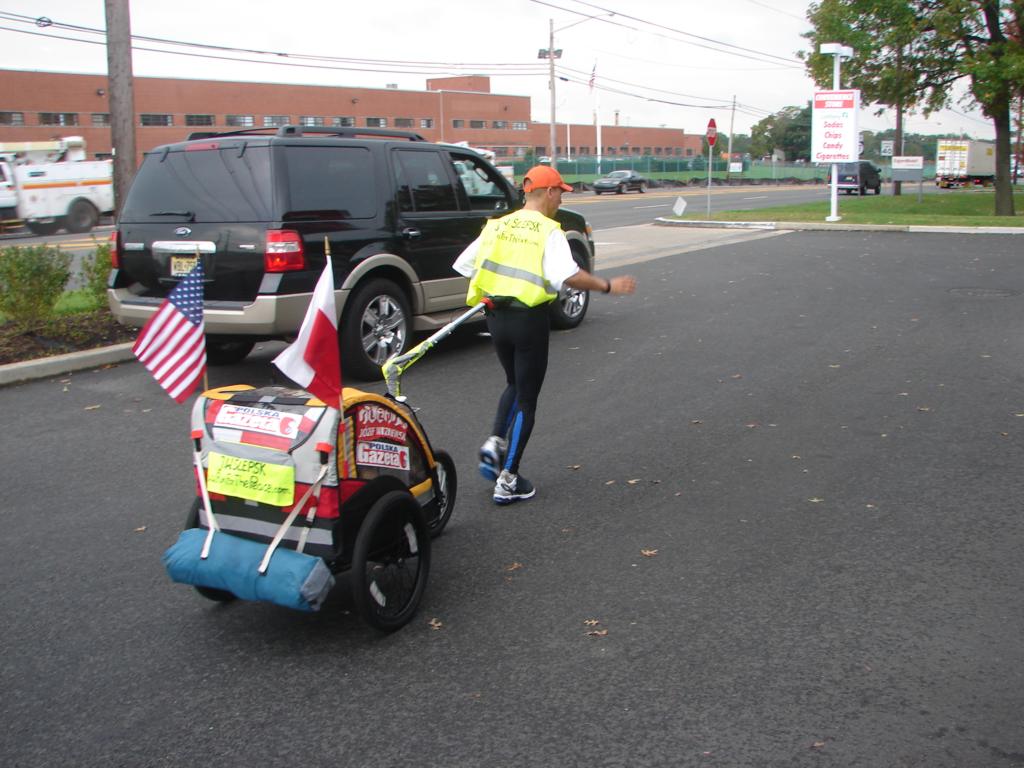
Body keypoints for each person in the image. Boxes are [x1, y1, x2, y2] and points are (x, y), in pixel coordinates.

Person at [453, 165, 637, 505]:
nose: (561, 199)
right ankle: (508, 479)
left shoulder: (497, 225)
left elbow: (466, 265)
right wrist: (607, 285)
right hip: (528, 320)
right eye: (561, 192)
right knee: (527, 398)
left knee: (513, 382)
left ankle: (495, 441)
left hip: (495, 318)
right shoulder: (548, 231)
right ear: (549, 192)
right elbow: (569, 275)